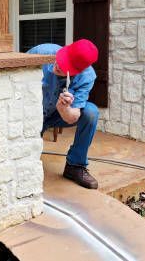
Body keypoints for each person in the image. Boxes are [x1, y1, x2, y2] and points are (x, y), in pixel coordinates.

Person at [27, 39, 100, 189]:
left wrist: (64, 108)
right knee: (25, 163)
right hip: (30, 114)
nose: (59, 65)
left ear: (78, 71)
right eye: (62, 58)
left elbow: (72, 116)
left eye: (66, 66)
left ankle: (75, 165)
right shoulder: (41, 52)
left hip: (57, 115)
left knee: (91, 113)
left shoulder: (86, 77)